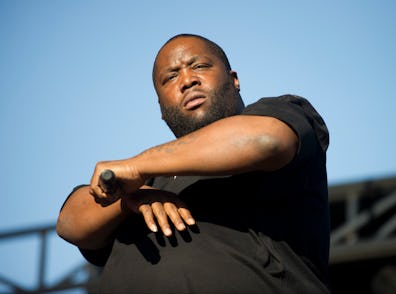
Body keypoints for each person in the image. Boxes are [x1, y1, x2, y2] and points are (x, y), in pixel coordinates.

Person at [56, 33, 331, 293]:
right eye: (171, 77)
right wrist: (128, 200)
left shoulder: (280, 112)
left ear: (233, 79)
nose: (187, 80)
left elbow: (265, 141)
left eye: (199, 66)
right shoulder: (142, 183)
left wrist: (138, 167)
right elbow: (70, 224)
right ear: (161, 109)